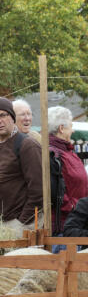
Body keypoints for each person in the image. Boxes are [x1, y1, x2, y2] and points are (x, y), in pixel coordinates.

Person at [0, 97, 43, 233]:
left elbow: (38, 190)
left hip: (19, 224)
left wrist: (21, 223)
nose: (0, 121)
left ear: (12, 117)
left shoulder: (27, 145)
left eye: (3, 115)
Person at [47, 106, 88, 234]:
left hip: (75, 221)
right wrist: (72, 207)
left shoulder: (67, 151)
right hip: (64, 226)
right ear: (61, 128)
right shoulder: (52, 153)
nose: (73, 130)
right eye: (71, 126)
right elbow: (52, 190)